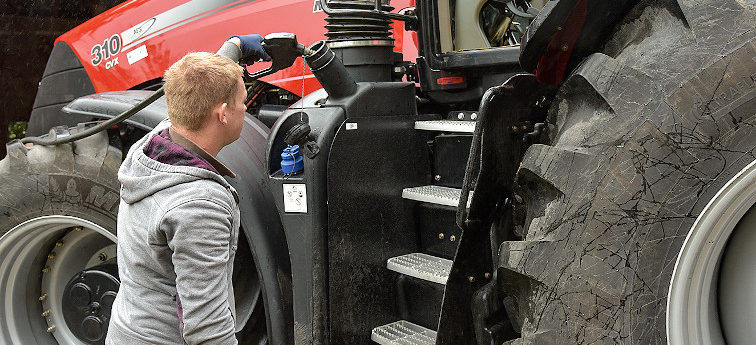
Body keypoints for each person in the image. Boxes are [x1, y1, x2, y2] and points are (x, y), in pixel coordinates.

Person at [105, 34, 269, 345]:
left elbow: (193, 90)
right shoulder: (200, 204)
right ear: (222, 114)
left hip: (126, 331)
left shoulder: (153, 144)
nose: (245, 109)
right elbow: (207, 329)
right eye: (241, 102)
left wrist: (232, 44)